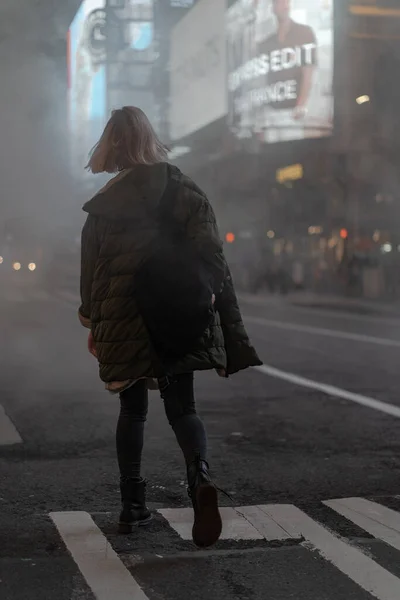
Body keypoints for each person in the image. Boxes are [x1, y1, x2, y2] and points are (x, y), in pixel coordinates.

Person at [78, 106, 262, 548]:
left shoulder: (102, 206)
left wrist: (93, 322)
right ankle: (199, 479)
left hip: (122, 315)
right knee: (183, 408)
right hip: (175, 310)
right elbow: (212, 255)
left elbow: (89, 276)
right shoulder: (184, 188)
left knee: (132, 409)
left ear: (112, 146)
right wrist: (207, 297)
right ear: (150, 139)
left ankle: (131, 507)